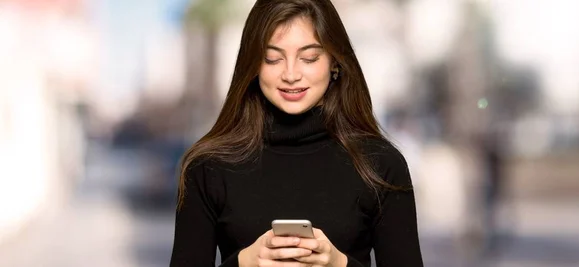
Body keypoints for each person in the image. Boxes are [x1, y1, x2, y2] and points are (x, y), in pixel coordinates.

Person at [169, 0, 423, 266]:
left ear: (334, 62)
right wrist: (245, 262)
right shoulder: (207, 167)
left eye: (309, 58)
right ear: (254, 66)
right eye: (273, 58)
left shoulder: (381, 164)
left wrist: (337, 263)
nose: (291, 74)